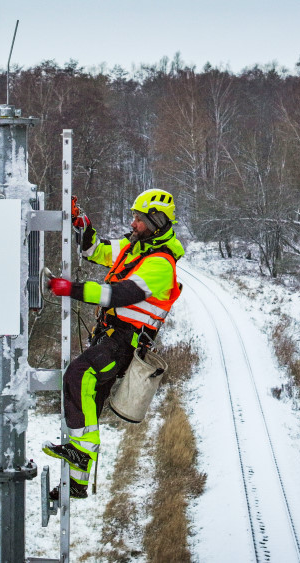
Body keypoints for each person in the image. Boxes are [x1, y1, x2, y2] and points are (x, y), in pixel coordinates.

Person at [43, 188, 184, 500]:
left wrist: (70, 289)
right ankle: (78, 482)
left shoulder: (161, 265)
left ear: (157, 222)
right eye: (133, 217)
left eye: (139, 219)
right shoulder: (135, 248)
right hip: (110, 335)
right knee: (84, 398)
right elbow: (97, 250)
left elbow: (119, 295)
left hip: (125, 343)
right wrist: (82, 223)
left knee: (79, 375)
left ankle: (80, 452)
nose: (132, 223)